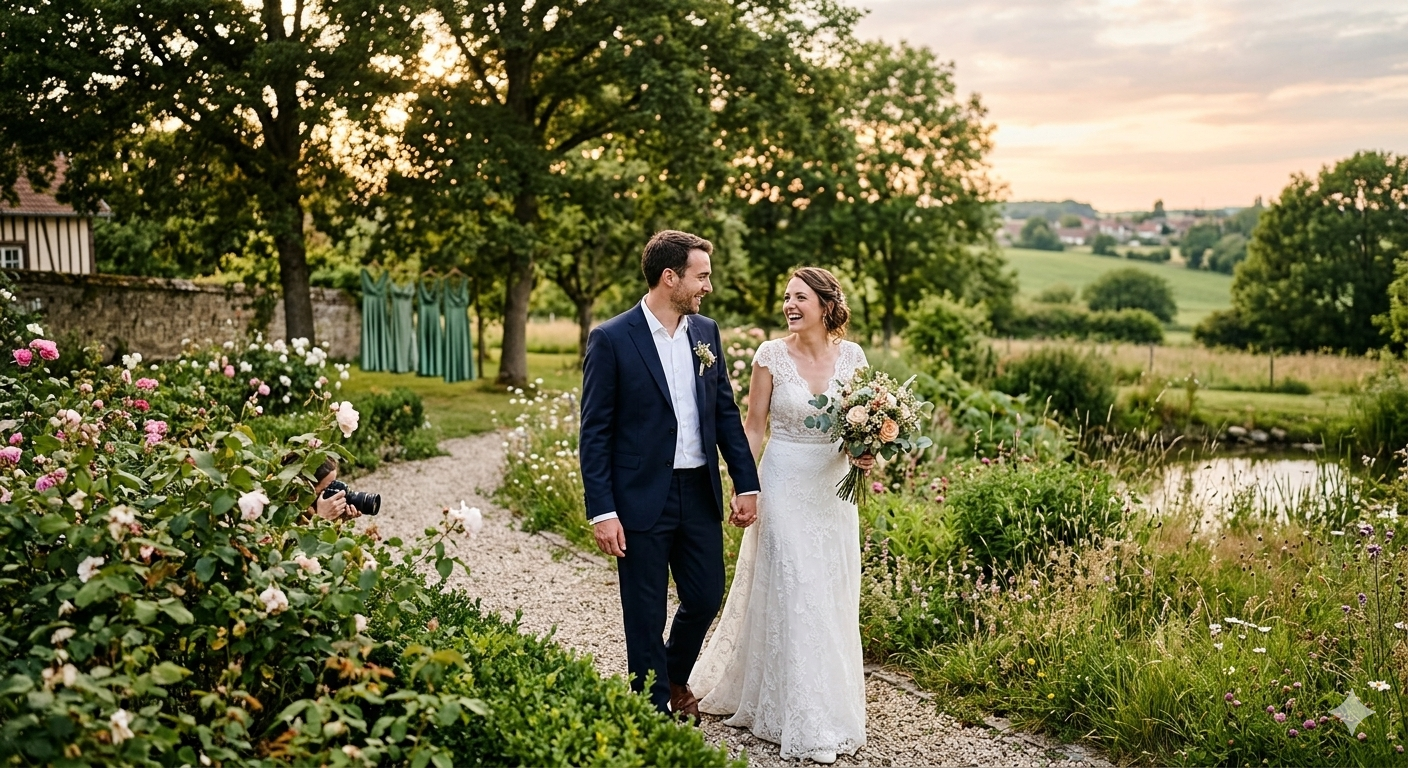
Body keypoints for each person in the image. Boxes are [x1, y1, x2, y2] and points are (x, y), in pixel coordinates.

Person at [578, 230, 762, 720]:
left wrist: (746, 483)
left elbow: (724, 412)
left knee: (705, 596)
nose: (708, 286)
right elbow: (594, 432)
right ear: (669, 277)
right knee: (645, 611)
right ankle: (651, 709)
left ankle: (674, 676)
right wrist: (602, 511)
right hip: (638, 497)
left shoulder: (706, 332)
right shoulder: (611, 338)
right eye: (701, 276)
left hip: (697, 490)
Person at [690, 267, 870, 764]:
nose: (790, 305)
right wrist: (744, 485)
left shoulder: (854, 357)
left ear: (826, 305)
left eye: (800, 297)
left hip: (833, 493)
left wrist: (866, 451)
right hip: (783, 482)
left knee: (830, 591)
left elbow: (859, 429)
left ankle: (830, 706)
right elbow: (753, 427)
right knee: (796, 587)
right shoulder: (769, 355)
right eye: (787, 297)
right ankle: (799, 714)